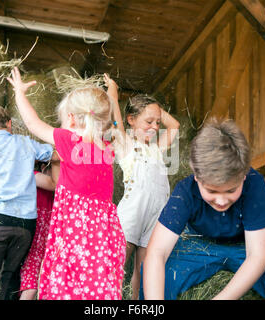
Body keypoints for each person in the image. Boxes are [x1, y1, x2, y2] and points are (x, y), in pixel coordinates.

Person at [142, 118, 265, 300]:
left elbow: (257, 256)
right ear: (196, 177)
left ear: (243, 176)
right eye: (211, 190)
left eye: (231, 190)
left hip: (247, 247)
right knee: (157, 275)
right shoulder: (185, 191)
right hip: (200, 248)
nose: (221, 200)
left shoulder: (254, 184)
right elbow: (157, 252)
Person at [7, 67, 126, 300]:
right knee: (96, 288)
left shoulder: (69, 140)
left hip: (73, 232)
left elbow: (33, 123)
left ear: (71, 118)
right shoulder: (109, 146)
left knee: (66, 286)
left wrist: (19, 93)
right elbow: (117, 125)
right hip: (104, 235)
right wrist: (113, 95)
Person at [0, 106, 53, 300]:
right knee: (12, 277)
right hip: (27, 225)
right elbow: (50, 153)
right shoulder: (25, 143)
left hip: (0, 222)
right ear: (9, 124)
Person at [104, 75, 179, 300]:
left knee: (144, 268)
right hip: (132, 213)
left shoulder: (157, 150)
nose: (155, 127)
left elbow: (174, 125)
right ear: (131, 120)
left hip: (156, 215)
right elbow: (115, 119)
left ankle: (138, 302)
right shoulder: (126, 145)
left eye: (157, 122)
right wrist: (113, 93)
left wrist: (154, 110)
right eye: (149, 122)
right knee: (120, 264)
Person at [19, 161, 57, 300]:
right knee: (31, 284)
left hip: (44, 239)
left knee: (38, 281)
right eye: (55, 168)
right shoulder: (34, 176)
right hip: (35, 236)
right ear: (43, 167)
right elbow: (55, 184)